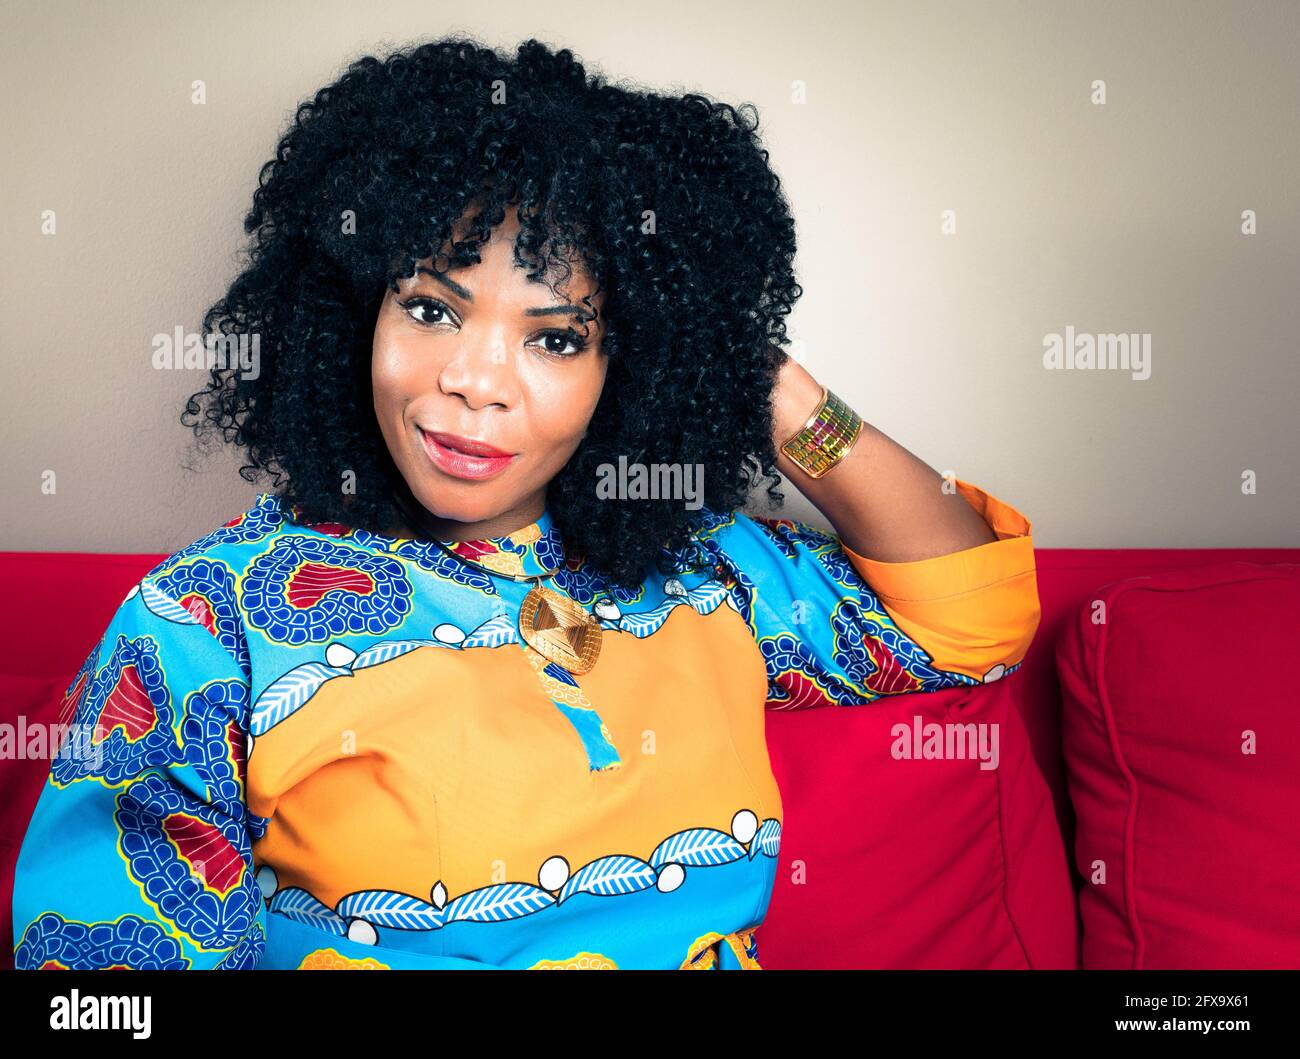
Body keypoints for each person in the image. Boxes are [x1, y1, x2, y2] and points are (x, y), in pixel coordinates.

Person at [11, 36, 1039, 970]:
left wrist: (750, 373)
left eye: (555, 338)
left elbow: (972, 618)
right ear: (351, 310)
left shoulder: (707, 572)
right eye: (430, 309)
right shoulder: (209, 618)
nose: (475, 382)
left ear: (625, 366)